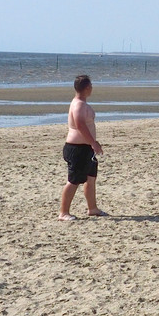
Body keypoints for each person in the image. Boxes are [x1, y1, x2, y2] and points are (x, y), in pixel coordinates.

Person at [59, 74, 106, 221]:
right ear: (86, 88)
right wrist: (93, 142)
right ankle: (63, 212)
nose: (92, 89)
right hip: (77, 148)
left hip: (86, 149)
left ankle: (92, 208)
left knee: (90, 178)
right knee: (74, 180)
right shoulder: (78, 104)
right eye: (91, 86)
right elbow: (80, 124)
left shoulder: (81, 103)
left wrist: (92, 145)